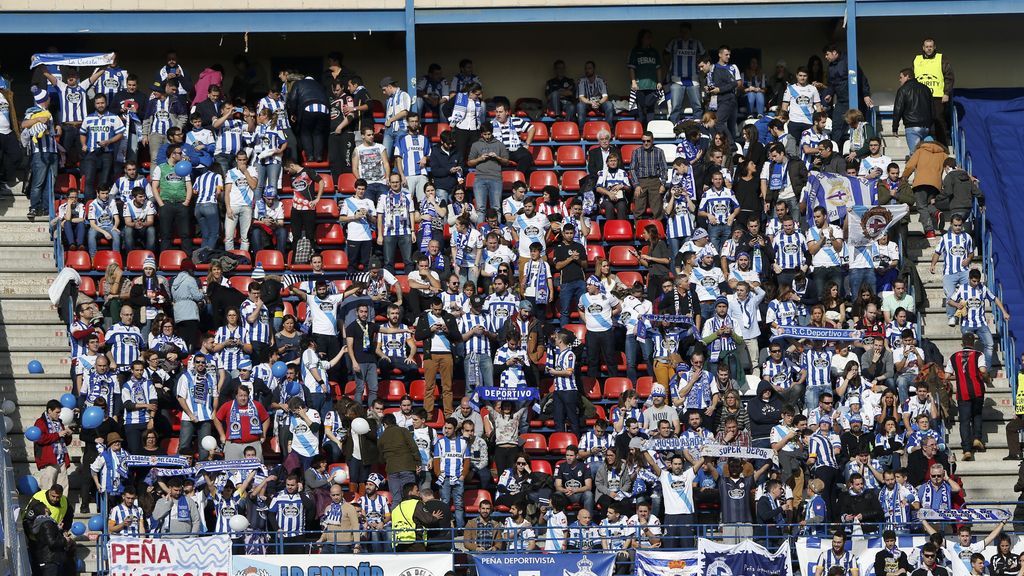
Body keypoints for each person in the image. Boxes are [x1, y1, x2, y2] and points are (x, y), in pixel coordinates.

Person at [945, 333, 987, 461]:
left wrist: (958, 375)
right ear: (973, 342)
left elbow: (946, 376)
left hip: (963, 392)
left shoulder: (953, 356)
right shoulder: (979, 355)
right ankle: (977, 438)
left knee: (964, 421)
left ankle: (967, 450)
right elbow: (983, 370)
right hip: (977, 390)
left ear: (962, 343)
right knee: (977, 415)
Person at [822, 43, 874, 141]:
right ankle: (837, 151)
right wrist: (830, 93)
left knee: (857, 126)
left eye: (827, 54)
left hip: (855, 99)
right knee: (836, 125)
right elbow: (831, 84)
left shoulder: (849, 60)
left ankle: (859, 150)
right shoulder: (831, 67)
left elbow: (861, 78)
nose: (825, 57)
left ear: (834, 52)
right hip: (841, 101)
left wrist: (866, 95)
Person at [912, 39, 955, 146]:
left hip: (938, 96)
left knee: (939, 120)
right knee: (921, 121)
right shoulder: (917, 59)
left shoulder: (941, 58)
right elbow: (912, 78)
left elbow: (949, 77)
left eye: (931, 46)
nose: (929, 48)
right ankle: (921, 146)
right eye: (927, 46)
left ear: (934, 47)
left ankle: (943, 146)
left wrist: (946, 93)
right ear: (923, 47)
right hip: (921, 97)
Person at [176, 353, 216, 462]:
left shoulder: (211, 378)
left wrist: (214, 411)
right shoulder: (186, 376)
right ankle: (181, 472)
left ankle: (202, 474)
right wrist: (190, 414)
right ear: (193, 363)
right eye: (198, 362)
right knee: (184, 446)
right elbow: (180, 398)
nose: (200, 364)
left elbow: (215, 396)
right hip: (188, 418)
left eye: (203, 362)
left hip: (206, 417)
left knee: (205, 448)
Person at [391, 483, 444, 552]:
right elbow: (428, 520)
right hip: (413, 542)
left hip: (398, 543)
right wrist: (435, 517)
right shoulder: (416, 503)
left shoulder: (396, 508)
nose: (419, 492)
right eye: (417, 490)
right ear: (410, 493)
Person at [892, 69, 934, 157]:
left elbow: (898, 109)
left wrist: (895, 127)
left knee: (915, 156)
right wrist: (930, 125)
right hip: (926, 128)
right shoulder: (926, 89)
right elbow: (932, 109)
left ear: (907, 76)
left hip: (912, 127)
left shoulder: (903, 89)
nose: (899, 80)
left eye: (901, 77)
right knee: (927, 155)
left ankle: (918, 171)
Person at [378, 413, 422, 498]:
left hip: (392, 470)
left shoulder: (382, 437)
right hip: (407, 468)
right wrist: (418, 462)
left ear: (385, 424)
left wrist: (387, 463)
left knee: (396, 498)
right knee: (409, 497)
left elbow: (381, 457)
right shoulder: (403, 430)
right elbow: (413, 447)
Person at [33, 400, 72, 493]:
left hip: (61, 460)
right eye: (57, 412)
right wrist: (57, 435)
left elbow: (65, 442)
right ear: (49, 411)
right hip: (48, 461)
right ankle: (46, 507)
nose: (59, 415)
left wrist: (68, 435)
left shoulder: (60, 422)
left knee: (63, 489)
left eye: (60, 412)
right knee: (47, 488)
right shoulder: (40, 422)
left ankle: (63, 507)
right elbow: (40, 439)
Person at [627, 29, 662, 127]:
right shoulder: (635, 51)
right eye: (647, 37)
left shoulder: (654, 52)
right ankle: (640, 132)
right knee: (640, 111)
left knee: (650, 110)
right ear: (642, 39)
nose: (650, 39)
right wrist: (633, 82)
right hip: (639, 86)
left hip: (652, 85)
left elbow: (658, 68)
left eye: (651, 37)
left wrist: (659, 82)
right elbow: (631, 68)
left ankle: (650, 131)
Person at [576, 60, 615, 130]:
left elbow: (605, 97)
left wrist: (598, 103)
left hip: (599, 103)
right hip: (587, 104)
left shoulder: (600, 80)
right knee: (580, 105)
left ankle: (609, 129)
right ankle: (581, 130)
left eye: (589, 68)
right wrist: (591, 103)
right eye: (586, 68)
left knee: (609, 104)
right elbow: (581, 97)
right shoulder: (582, 81)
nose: (587, 70)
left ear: (594, 69)